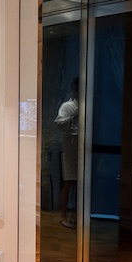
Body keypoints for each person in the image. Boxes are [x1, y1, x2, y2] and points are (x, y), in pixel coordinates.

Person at [55, 77, 79, 228]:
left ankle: (76, 216)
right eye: (76, 89)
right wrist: (74, 116)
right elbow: (59, 124)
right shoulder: (67, 106)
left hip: (82, 148)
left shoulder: (87, 105)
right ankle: (63, 215)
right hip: (70, 148)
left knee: (79, 184)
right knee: (69, 181)